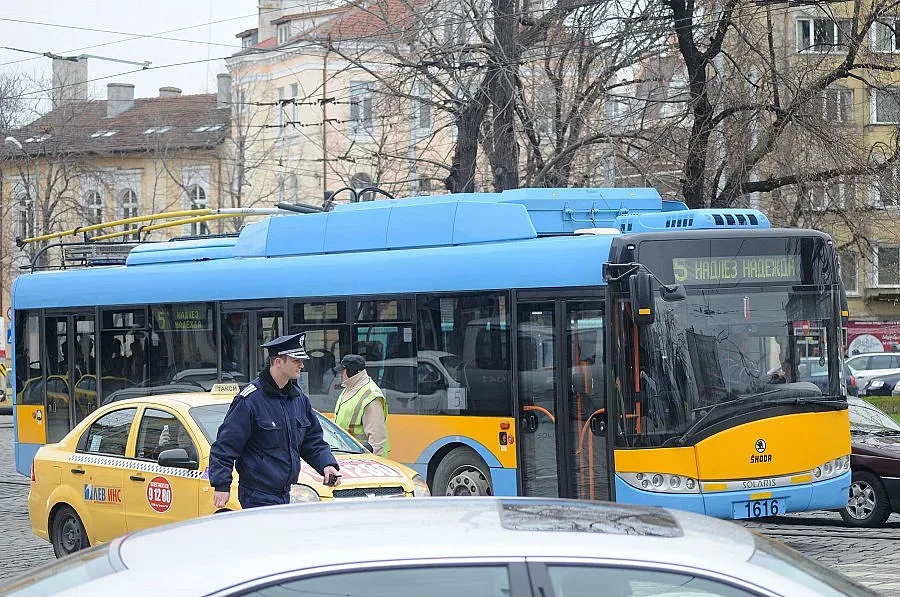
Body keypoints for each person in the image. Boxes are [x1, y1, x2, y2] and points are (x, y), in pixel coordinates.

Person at [208, 332, 341, 509]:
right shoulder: (250, 400)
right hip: (257, 494)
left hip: (285, 493)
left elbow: (312, 441)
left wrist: (326, 464)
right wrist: (221, 485)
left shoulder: (298, 398)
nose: (302, 365)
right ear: (279, 362)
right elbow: (225, 446)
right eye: (296, 360)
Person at [334, 354, 390, 457]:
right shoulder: (349, 388)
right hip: (348, 455)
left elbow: (376, 438)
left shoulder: (371, 395)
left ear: (350, 372)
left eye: (343, 370)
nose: (341, 374)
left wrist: (374, 463)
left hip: (362, 460)